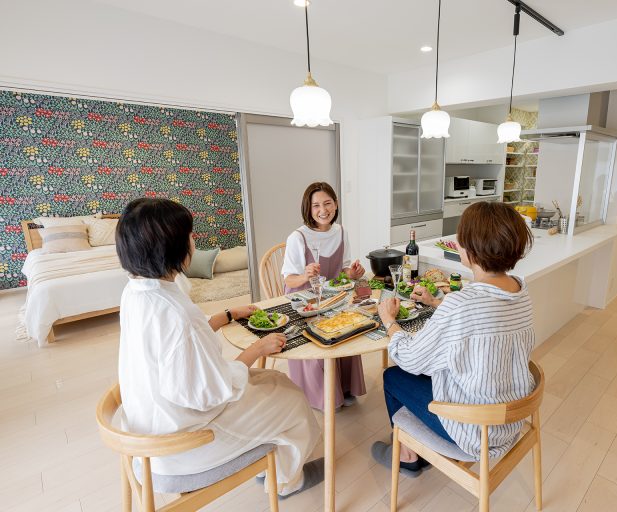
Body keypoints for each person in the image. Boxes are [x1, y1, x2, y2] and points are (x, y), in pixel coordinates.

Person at [116, 198, 322, 498]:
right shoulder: (176, 314)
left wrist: (227, 315)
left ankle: (276, 467)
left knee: (270, 382)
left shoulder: (137, 291)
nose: (194, 241)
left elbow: (180, 345)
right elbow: (212, 391)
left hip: (148, 425)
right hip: (182, 447)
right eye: (189, 235)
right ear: (171, 246)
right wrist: (258, 349)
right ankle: (289, 481)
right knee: (290, 397)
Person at [371, 201, 536, 477]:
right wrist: (438, 303)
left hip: (475, 430)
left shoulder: (462, 303)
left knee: (394, 375)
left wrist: (389, 321)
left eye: (460, 239)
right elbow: (482, 323)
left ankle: (410, 457)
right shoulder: (519, 288)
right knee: (426, 372)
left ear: (472, 249)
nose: (457, 244)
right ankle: (414, 450)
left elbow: (411, 358)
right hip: (510, 417)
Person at [282, 182, 367, 410]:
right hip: (304, 302)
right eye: (316, 205)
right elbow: (289, 280)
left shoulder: (341, 232)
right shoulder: (297, 237)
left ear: (336, 204)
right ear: (308, 209)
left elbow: (343, 271)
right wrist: (304, 276)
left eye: (328, 203)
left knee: (350, 329)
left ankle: (346, 387)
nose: (323, 210)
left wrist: (353, 273)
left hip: (332, 299)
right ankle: (322, 395)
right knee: (321, 337)